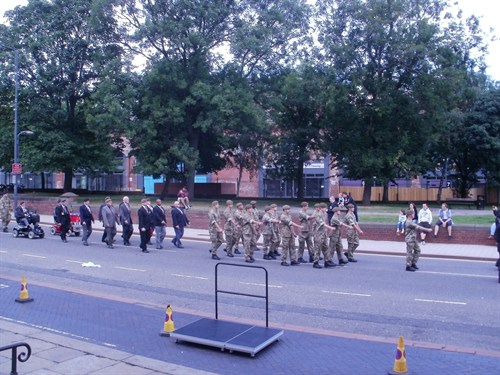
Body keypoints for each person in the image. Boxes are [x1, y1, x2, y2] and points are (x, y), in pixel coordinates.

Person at [312, 203, 336, 268]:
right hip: (318, 234)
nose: (326, 209)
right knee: (317, 248)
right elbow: (322, 223)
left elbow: (326, 222)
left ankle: (327, 261)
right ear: (321, 208)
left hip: (324, 234)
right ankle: (315, 262)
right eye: (325, 208)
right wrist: (330, 228)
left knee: (326, 248)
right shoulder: (318, 214)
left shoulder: (325, 214)